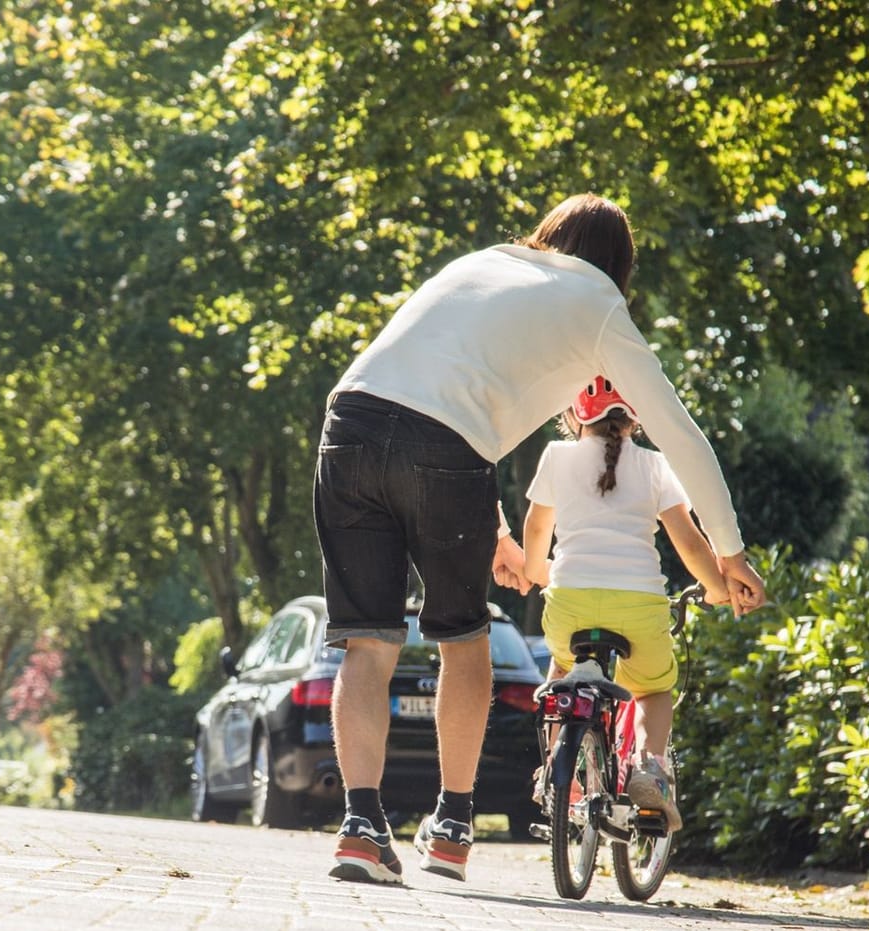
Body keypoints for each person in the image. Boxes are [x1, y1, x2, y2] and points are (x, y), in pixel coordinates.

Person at [314, 193, 765, 887]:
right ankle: (455, 826)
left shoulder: (486, 262)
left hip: (349, 424)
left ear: (549, 235)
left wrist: (493, 523)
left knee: (367, 643)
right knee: (462, 637)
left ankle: (361, 828)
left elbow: (439, 391)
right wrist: (728, 549)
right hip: (445, 450)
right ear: (621, 267)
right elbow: (677, 431)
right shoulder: (600, 306)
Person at [522, 376, 731, 833]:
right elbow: (690, 544)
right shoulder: (656, 466)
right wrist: (716, 588)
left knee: (561, 669)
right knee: (653, 689)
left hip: (569, 602)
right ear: (636, 418)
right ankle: (648, 772)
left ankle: (558, 773)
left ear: (574, 416)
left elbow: (537, 530)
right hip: (639, 605)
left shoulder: (555, 457)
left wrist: (537, 571)